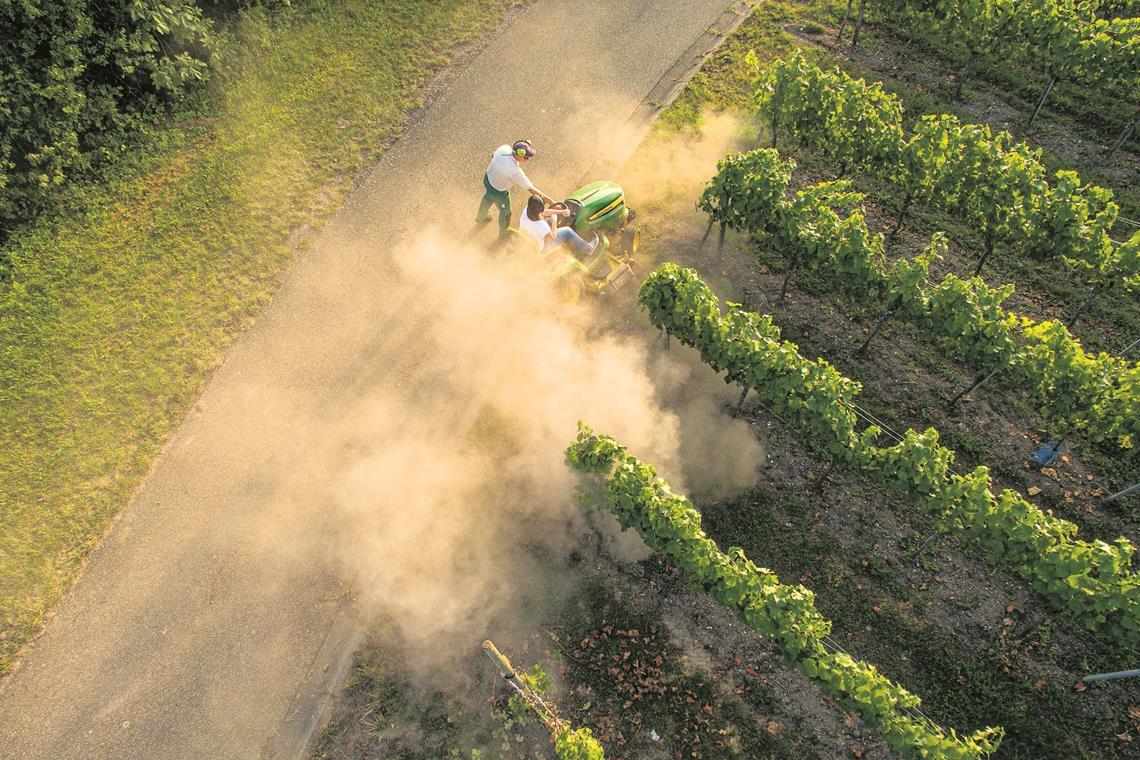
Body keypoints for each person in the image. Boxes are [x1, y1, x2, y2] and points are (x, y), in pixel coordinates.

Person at [475, 139, 554, 235]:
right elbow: (531, 188)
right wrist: (550, 201)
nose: (527, 160)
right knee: (506, 213)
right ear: (518, 156)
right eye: (526, 158)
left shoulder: (504, 148)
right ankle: (503, 233)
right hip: (499, 191)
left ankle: (480, 217)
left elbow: (493, 155)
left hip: (487, 179)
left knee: (488, 196)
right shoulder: (514, 171)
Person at [518, 195, 599, 256]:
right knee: (567, 231)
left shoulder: (526, 210)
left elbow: (543, 212)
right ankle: (589, 249)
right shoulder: (542, 226)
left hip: (528, 243)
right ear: (539, 211)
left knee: (548, 220)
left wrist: (561, 212)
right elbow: (552, 237)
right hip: (541, 249)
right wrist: (554, 222)